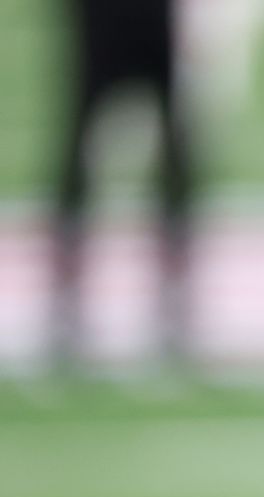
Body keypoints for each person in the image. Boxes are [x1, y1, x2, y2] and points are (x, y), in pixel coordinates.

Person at [51, 0, 195, 370]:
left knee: (175, 151)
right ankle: (68, 293)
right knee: (81, 147)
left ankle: (173, 291)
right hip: (106, 16)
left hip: (145, 18)